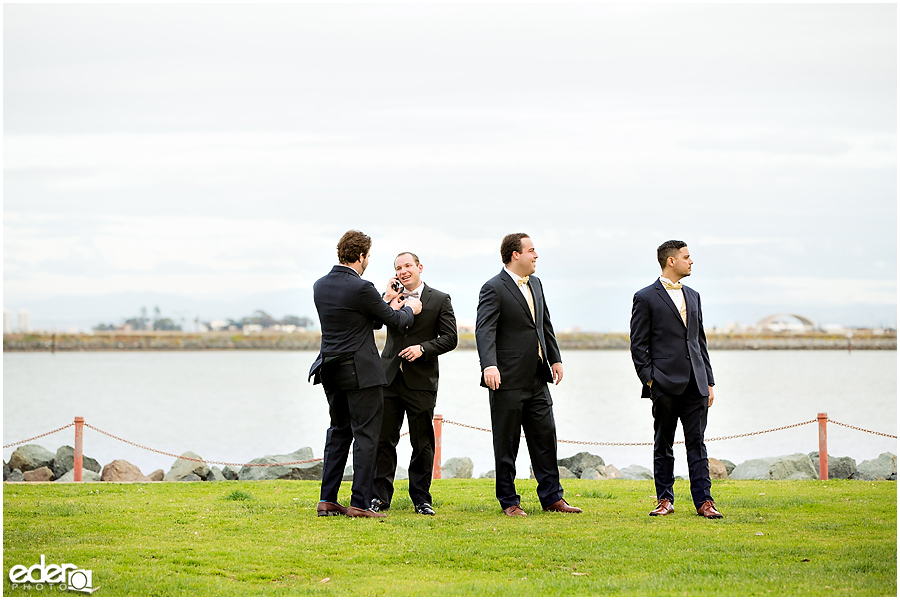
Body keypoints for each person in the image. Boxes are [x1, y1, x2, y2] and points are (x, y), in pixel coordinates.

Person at [309, 230, 422, 519]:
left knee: (338, 432)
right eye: (368, 255)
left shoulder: (320, 286)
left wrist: (385, 300)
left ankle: (328, 499)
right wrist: (410, 307)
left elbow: (364, 320)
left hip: (330, 369)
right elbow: (394, 320)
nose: (368, 260)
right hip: (360, 372)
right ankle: (359, 503)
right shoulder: (361, 287)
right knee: (367, 436)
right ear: (361, 256)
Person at [475, 233, 581, 517]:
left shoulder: (536, 284)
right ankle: (509, 501)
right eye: (532, 250)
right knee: (506, 443)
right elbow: (484, 330)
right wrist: (489, 365)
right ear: (515, 255)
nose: (536, 256)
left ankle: (552, 498)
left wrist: (555, 358)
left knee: (546, 438)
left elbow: (544, 325)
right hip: (506, 379)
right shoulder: (493, 288)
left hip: (537, 377)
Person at [629, 240, 723, 519]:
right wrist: (650, 381)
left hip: (696, 382)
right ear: (671, 261)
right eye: (686, 256)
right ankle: (664, 500)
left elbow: (699, 341)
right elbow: (638, 345)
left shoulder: (694, 296)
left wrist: (709, 381)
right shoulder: (645, 297)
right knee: (663, 443)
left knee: (697, 443)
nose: (691, 261)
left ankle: (704, 502)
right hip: (664, 384)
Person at [371, 252, 458, 516]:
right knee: (384, 441)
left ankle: (421, 499)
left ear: (419, 267)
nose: (403, 270)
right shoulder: (389, 298)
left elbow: (451, 338)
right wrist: (387, 299)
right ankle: (379, 498)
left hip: (421, 380)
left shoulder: (440, 299)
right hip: (388, 377)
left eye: (408, 265)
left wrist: (423, 348)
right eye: (398, 267)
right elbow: (374, 323)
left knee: (422, 443)